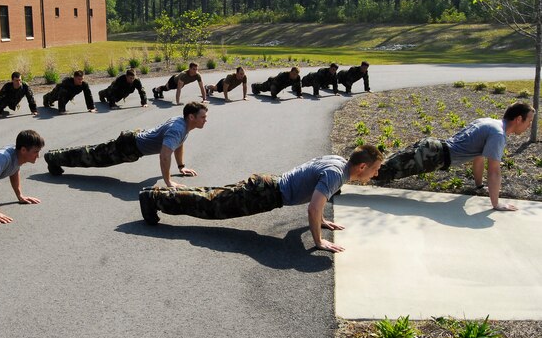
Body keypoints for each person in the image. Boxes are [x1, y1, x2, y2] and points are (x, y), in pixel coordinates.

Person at [139, 145, 384, 253]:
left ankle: (154, 196)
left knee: (210, 197)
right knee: (209, 205)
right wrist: (319, 241)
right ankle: (152, 198)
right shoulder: (336, 175)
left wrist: (321, 220)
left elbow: (314, 205)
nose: (376, 174)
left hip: (266, 187)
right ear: (362, 166)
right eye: (375, 169)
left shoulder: (338, 163)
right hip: (265, 193)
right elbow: (312, 208)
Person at [375, 102, 535, 211]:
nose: (529, 126)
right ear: (519, 119)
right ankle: (351, 171)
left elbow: (478, 158)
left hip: (432, 149)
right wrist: (497, 204)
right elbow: (494, 171)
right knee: (378, 172)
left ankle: (353, 168)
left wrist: (479, 186)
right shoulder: (498, 135)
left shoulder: (488, 123)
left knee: (379, 168)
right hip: (433, 156)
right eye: (529, 121)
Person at [44, 102, 208, 188]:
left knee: (93, 153)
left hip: (133, 140)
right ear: (191, 117)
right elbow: (165, 155)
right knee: (91, 156)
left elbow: (178, 145)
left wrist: (181, 166)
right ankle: (53, 157)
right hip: (129, 146)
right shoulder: (177, 129)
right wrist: (168, 182)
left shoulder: (183, 124)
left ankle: (55, 157)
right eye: (202, 117)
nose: (205, 120)